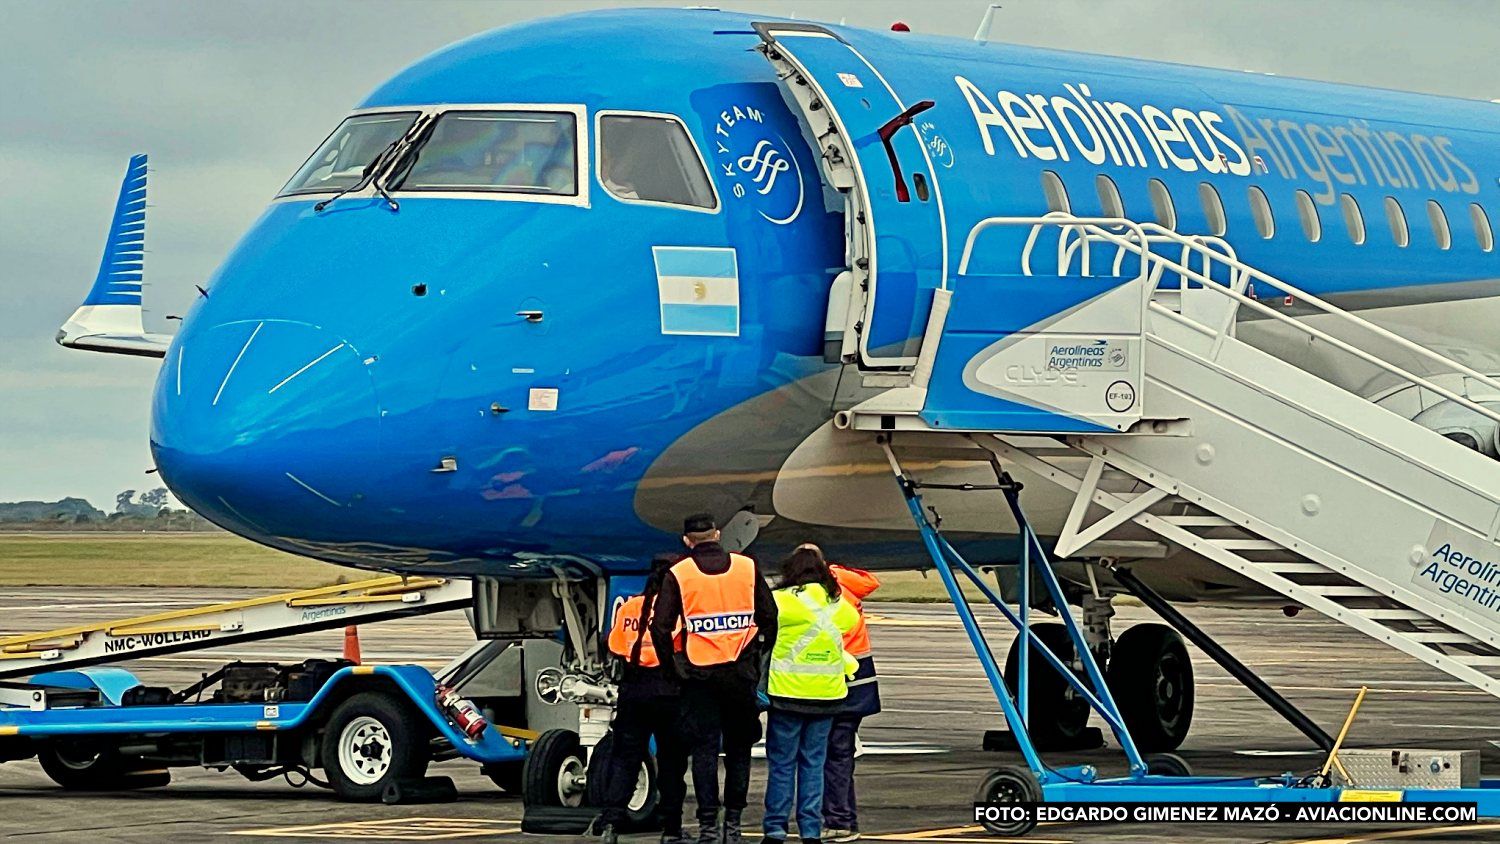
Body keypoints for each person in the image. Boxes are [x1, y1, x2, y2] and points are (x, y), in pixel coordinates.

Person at [650, 514, 778, 844]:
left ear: (686, 541)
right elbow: (769, 617)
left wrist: (672, 669)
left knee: (704, 752)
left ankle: (708, 824)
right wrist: (756, 660)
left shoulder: (679, 573)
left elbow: (661, 628)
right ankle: (733, 825)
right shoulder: (746, 567)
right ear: (718, 534)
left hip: (699, 677)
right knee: (739, 751)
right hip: (739, 674)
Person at [762, 546, 859, 844]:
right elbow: (851, 623)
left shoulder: (781, 601)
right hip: (827, 696)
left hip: (787, 694)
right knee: (813, 764)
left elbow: (763, 624)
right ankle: (810, 830)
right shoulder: (837, 604)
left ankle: (776, 828)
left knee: (782, 764)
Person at [598, 554, 690, 844]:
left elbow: (614, 645)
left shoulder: (629, 607)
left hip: (633, 689)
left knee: (626, 759)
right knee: (672, 762)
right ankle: (671, 828)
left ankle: (611, 823)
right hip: (669, 689)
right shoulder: (678, 610)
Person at [822, 556, 882, 843]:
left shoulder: (812, 601)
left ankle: (837, 820)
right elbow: (869, 580)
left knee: (823, 757)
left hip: (824, 689)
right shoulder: (848, 590)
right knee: (840, 756)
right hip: (859, 687)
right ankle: (842, 819)